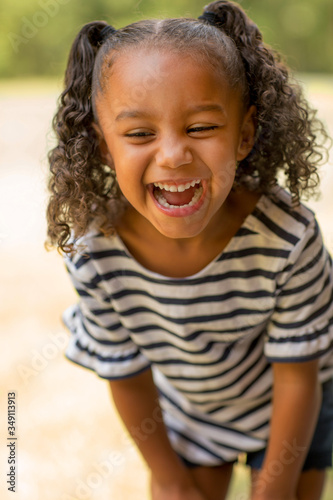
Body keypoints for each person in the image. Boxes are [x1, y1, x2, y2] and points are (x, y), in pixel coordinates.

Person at [46, 1, 333, 499]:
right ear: (102, 146)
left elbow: (297, 379)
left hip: (294, 412)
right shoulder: (95, 252)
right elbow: (127, 376)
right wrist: (174, 482)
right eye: (139, 133)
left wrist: (273, 488)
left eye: (200, 127)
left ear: (244, 134)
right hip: (193, 416)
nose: (174, 154)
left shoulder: (288, 238)